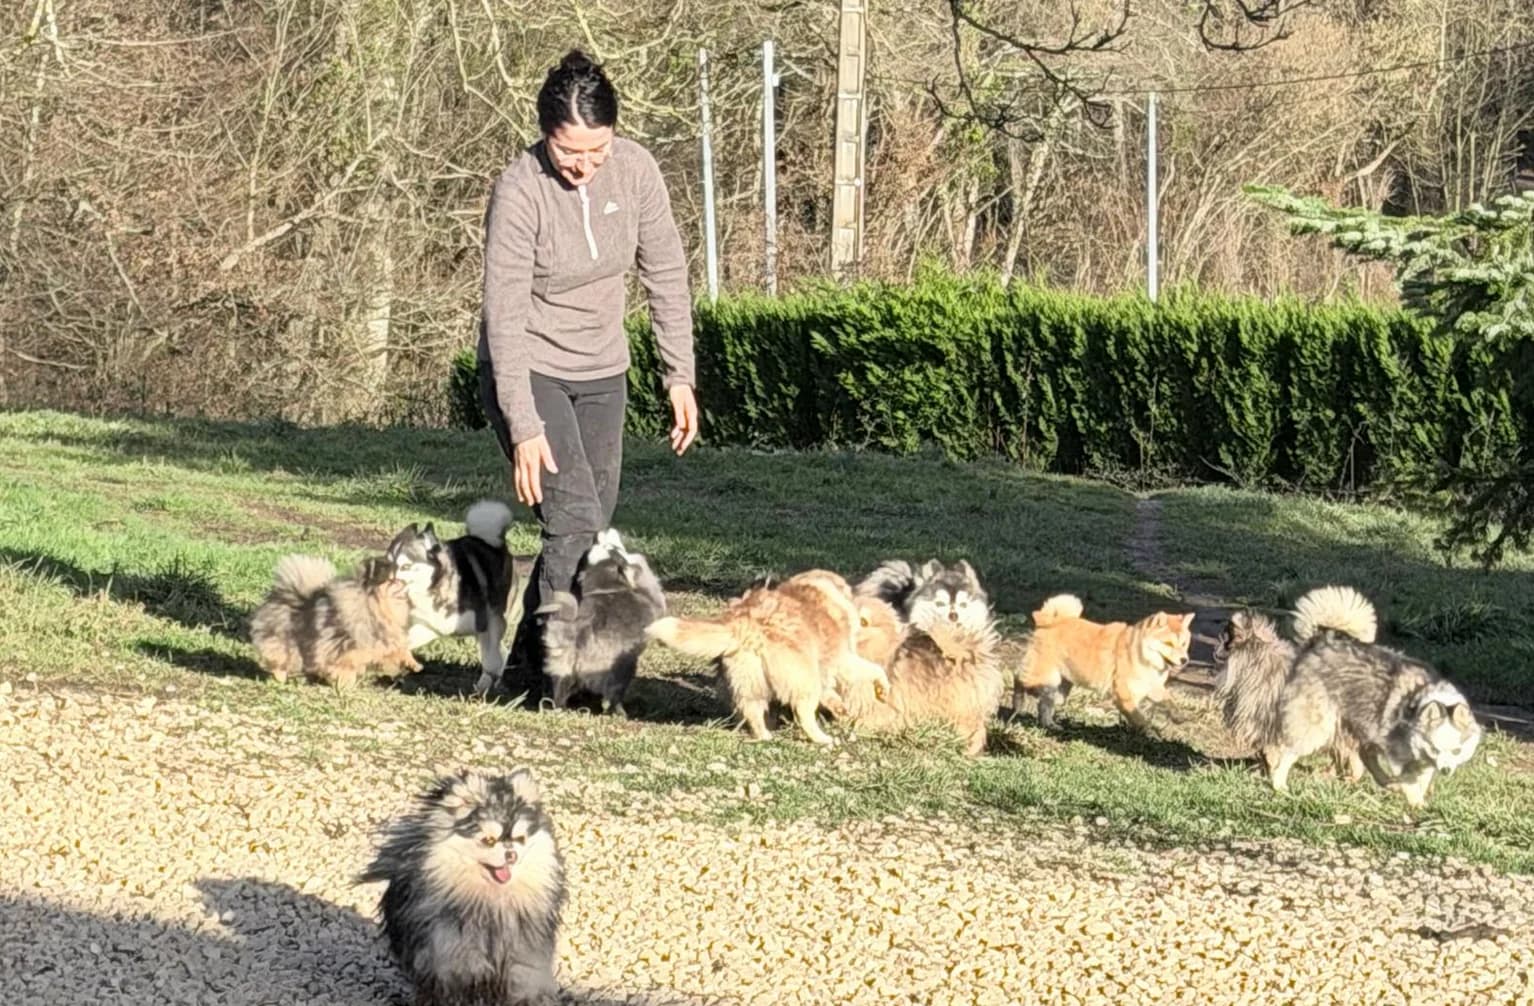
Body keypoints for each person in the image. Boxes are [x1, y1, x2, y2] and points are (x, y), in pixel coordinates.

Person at [477, 49, 698, 691]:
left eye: (596, 152)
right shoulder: (520, 190)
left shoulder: (635, 172)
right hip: (529, 367)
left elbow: (666, 274)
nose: (583, 168)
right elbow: (504, 316)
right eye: (570, 152)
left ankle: (523, 667)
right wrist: (523, 424)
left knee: (588, 528)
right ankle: (547, 678)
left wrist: (677, 375)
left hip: (603, 371)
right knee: (571, 520)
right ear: (546, 134)